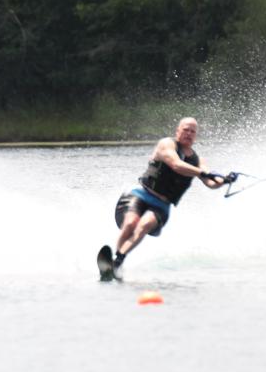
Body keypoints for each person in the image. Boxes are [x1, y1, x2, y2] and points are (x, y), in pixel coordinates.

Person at [98, 117, 234, 280]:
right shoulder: (166, 144)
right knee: (131, 223)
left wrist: (224, 180)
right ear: (177, 131)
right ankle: (114, 260)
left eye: (192, 131)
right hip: (141, 194)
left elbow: (211, 182)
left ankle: (118, 262)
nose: (189, 133)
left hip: (161, 205)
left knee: (145, 224)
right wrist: (203, 172)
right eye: (186, 130)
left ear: (196, 136)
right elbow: (176, 165)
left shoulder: (198, 161)